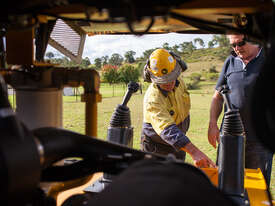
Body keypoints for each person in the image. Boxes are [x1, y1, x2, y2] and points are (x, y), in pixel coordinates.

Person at [208, 34, 273, 186]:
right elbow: (217, 97)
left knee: (256, 187)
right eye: (233, 45)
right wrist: (212, 124)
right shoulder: (230, 62)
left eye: (241, 43)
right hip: (229, 137)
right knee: (225, 183)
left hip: (260, 139)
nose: (237, 48)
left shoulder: (269, 60)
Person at [141, 48, 215, 168]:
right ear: (153, 78)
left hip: (179, 142)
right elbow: (168, 130)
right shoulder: (152, 99)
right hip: (157, 147)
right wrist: (195, 152)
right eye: (164, 81)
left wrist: (185, 144)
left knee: (178, 177)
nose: (169, 83)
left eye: (172, 77)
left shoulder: (179, 81)